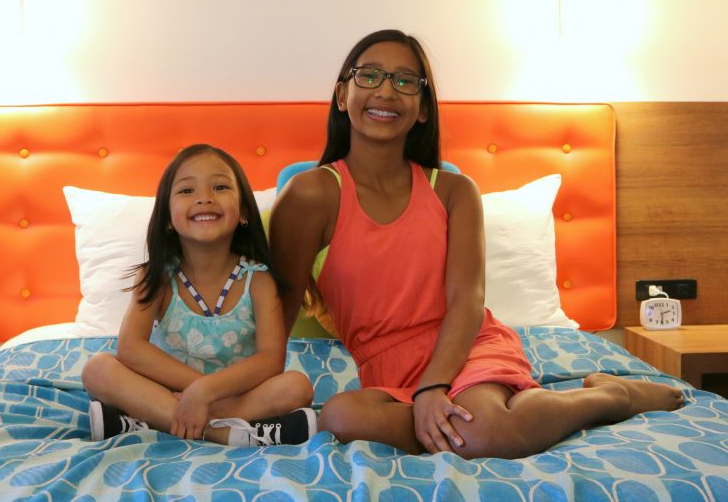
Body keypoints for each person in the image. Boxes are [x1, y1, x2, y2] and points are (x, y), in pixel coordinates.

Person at [269, 29, 684, 459]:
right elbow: (274, 313)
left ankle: (611, 397)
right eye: (370, 76)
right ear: (342, 95)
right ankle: (502, 416)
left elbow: (467, 299)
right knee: (342, 418)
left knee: (483, 431)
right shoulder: (309, 196)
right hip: (387, 369)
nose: (387, 91)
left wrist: (434, 385)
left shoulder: (454, 190)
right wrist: (225, 393)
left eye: (405, 81)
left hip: (466, 345)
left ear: (424, 108)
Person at [81, 144, 316, 446]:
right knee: (98, 369)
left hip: (237, 392)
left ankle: (148, 421)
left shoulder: (257, 280)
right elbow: (130, 348)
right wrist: (196, 390)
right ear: (167, 217)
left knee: (297, 387)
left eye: (219, 187)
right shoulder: (157, 277)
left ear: (243, 211)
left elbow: (271, 360)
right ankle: (222, 433)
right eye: (186, 191)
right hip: (168, 389)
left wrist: (206, 393)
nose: (204, 197)